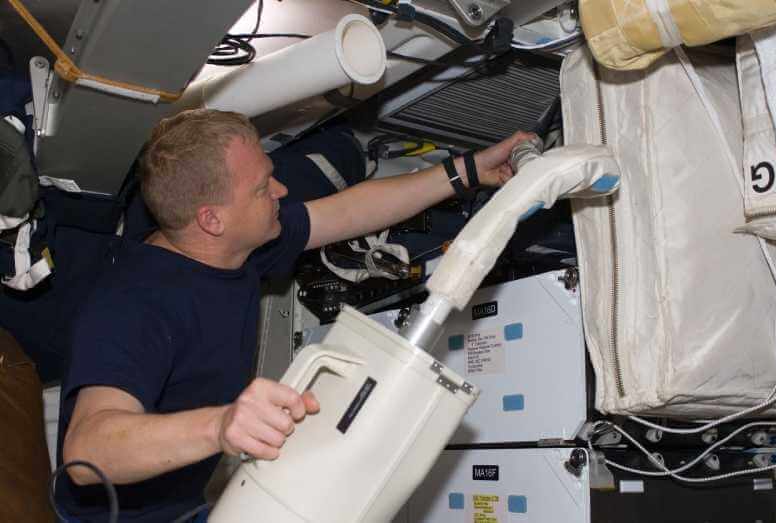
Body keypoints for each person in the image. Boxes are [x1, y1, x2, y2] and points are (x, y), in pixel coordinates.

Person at [55, 109, 533, 522]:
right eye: (264, 186)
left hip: (187, 503)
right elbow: (87, 451)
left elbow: (345, 213)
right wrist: (220, 426)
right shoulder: (133, 307)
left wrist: (467, 170)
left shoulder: (228, 249)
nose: (282, 189)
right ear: (211, 220)